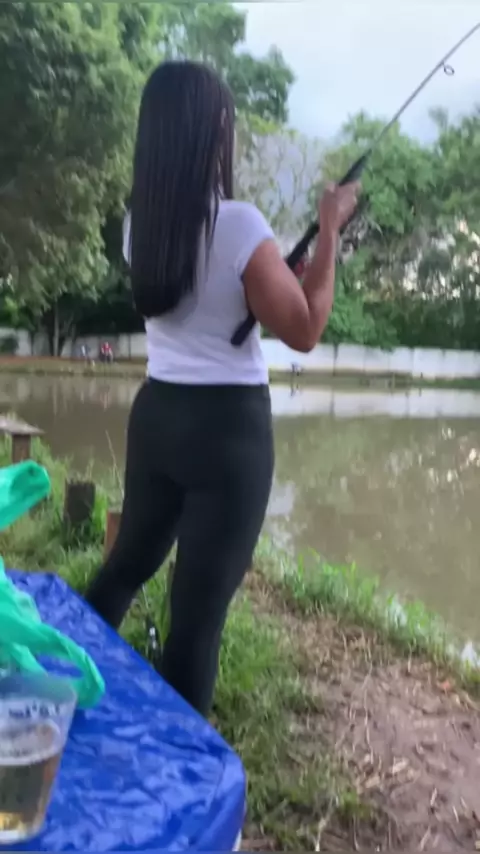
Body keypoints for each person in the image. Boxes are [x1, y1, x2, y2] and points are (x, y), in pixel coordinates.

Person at [84, 60, 359, 717]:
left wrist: (273, 273)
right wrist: (328, 233)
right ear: (213, 131)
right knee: (196, 618)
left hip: (158, 417)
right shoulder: (238, 224)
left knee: (126, 566)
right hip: (227, 434)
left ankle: (63, 681)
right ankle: (178, 766)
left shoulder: (138, 227)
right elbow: (306, 328)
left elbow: (205, 300)